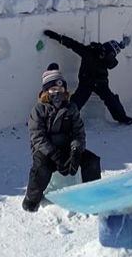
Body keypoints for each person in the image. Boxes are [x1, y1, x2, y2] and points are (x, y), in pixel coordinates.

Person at [24, 64, 103, 212]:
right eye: (53, 89)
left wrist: (76, 150)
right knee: (41, 168)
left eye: (60, 89)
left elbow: (79, 131)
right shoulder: (39, 109)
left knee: (92, 161)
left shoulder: (71, 108)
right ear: (46, 91)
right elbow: (37, 136)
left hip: (67, 148)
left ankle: (92, 195)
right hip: (46, 151)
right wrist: (54, 155)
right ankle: (31, 198)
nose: (57, 92)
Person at [42, 29, 132, 124]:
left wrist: (119, 47)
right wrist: (57, 37)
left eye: (111, 55)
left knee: (111, 99)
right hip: (86, 82)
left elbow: (113, 61)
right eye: (106, 53)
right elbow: (73, 44)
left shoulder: (109, 58)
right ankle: (61, 119)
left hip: (101, 83)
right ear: (103, 49)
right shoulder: (89, 51)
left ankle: (122, 118)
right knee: (76, 102)